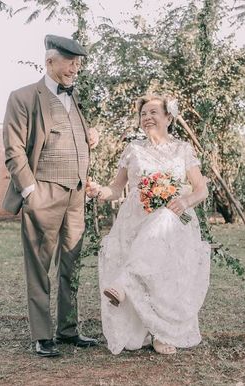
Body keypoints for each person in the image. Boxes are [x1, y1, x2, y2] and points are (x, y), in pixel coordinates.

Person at [86, 95, 211, 355]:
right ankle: (144, 323)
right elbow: (116, 188)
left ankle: (155, 324)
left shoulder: (183, 149)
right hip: (135, 220)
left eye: (154, 112)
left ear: (168, 118)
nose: (147, 117)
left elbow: (201, 190)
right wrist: (98, 190)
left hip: (174, 220)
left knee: (164, 256)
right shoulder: (133, 150)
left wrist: (185, 201)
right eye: (143, 113)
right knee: (149, 260)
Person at [2, 34, 99, 357]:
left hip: (76, 195)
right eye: (70, 61)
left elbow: (69, 139)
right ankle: (43, 335)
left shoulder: (74, 98)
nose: (75, 68)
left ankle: (68, 329)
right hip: (43, 192)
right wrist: (30, 190)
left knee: (72, 264)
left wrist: (89, 139)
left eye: (78, 63)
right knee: (40, 266)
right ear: (49, 62)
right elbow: (13, 148)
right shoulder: (24, 97)